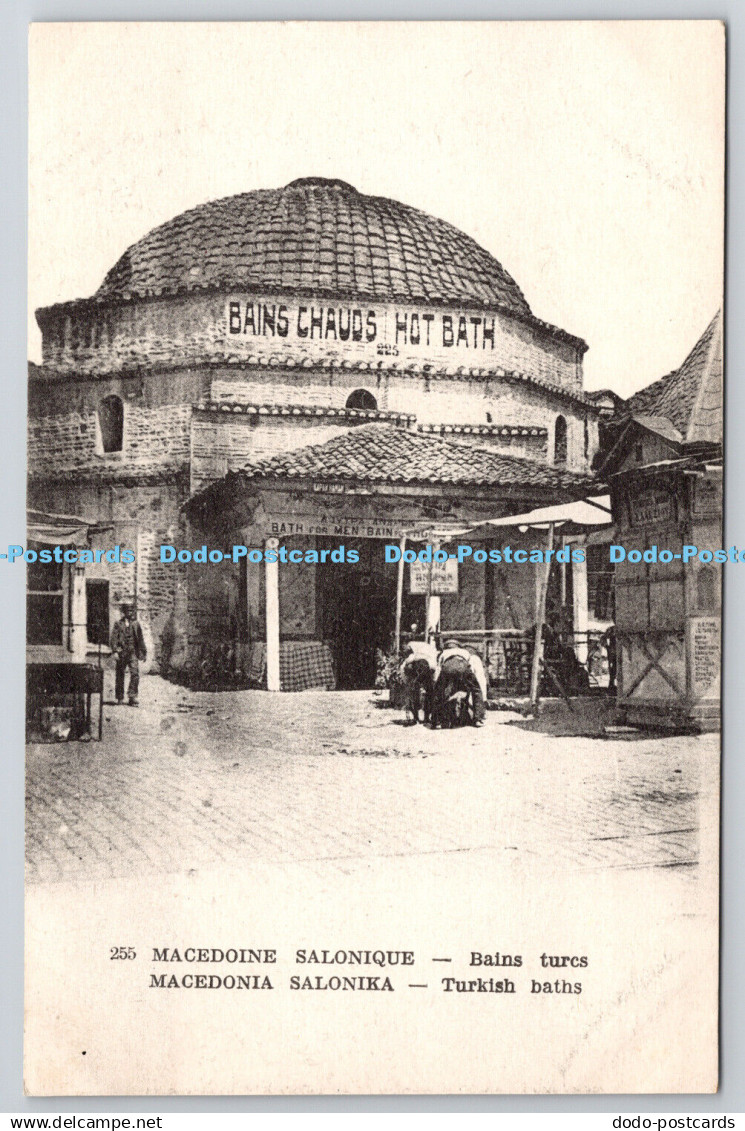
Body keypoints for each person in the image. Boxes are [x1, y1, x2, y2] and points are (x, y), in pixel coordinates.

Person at [432, 640, 487, 728]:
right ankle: (478, 719)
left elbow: (439, 668)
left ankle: (437, 721)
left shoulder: (444, 653)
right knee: (476, 690)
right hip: (463, 667)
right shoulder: (465, 652)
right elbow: (470, 666)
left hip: (448, 668)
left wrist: (438, 683)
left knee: (438, 692)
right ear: (458, 646)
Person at [110, 603, 147, 706]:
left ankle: (132, 696)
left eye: (131, 611)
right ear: (124, 612)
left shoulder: (136, 624)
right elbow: (113, 639)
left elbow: (140, 639)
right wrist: (115, 651)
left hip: (132, 652)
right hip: (122, 652)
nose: (130, 613)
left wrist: (143, 652)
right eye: (128, 611)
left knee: (135, 674)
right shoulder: (118, 624)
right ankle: (120, 697)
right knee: (120, 674)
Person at [399, 638, 437, 725]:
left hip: (420, 667)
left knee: (414, 692)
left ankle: (416, 717)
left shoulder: (411, 650)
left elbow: (404, 670)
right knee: (429, 692)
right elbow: (434, 669)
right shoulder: (429, 648)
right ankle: (426, 717)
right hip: (429, 666)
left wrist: (407, 683)